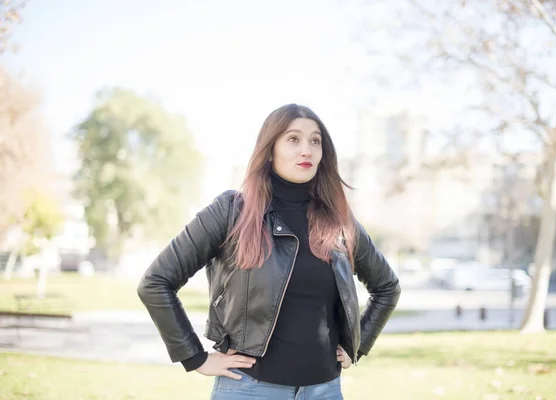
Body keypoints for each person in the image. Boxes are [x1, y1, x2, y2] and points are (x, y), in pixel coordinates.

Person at [137, 104, 401, 399]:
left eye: (316, 141)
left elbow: (387, 286)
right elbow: (156, 282)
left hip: (324, 390)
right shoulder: (231, 212)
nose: (307, 150)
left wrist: (359, 344)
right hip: (249, 389)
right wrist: (195, 358)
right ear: (270, 148)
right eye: (293, 139)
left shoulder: (339, 222)